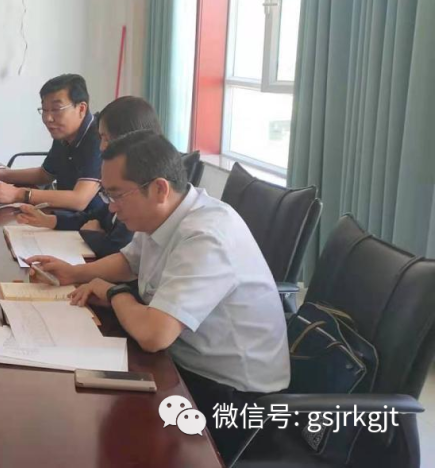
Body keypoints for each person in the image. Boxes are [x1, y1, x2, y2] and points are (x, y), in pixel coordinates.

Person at [29, 130, 288, 463]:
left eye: (117, 195)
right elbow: (129, 261)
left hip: (232, 398)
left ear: (159, 189)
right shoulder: (166, 214)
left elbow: (154, 335)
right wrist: (74, 273)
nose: (111, 207)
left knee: (104, 436)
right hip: (185, 364)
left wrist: (114, 293)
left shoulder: (205, 236)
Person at [16, 96, 162, 256]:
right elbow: (96, 215)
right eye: (101, 138)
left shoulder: (140, 193)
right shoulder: (125, 179)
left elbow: (120, 252)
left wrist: (92, 235)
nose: (101, 147)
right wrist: (49, 220)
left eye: (107, 139)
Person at [0, 74, 101, 211]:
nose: (48, 118)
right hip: (64, 215)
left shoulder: (99, 137)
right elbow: (45, 175)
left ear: (81, 109)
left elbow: (79, 200)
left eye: (56, 110)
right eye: (44, 110)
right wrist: (2, 175)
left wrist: (18, 194)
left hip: (92, 220)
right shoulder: (63, 134)